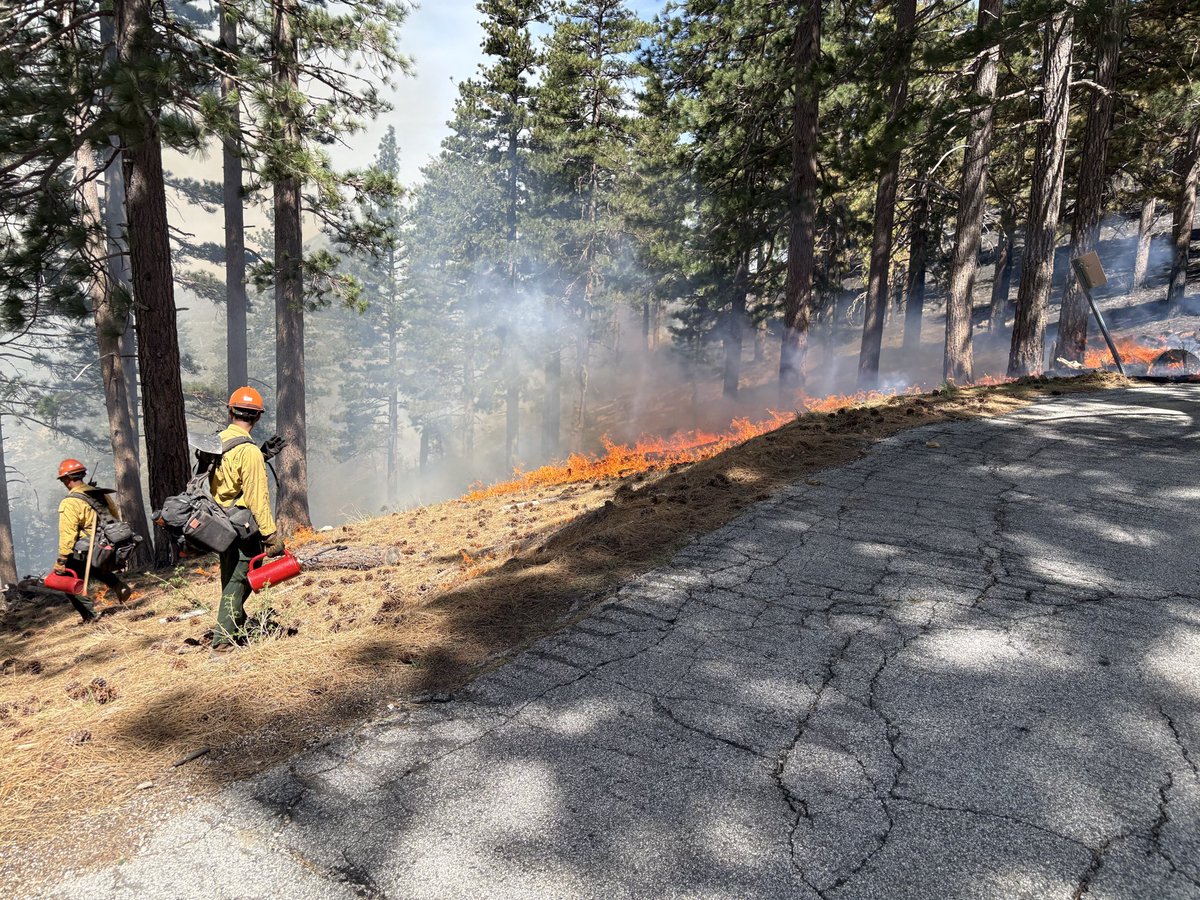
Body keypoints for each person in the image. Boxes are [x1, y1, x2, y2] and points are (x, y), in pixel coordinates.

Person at [210, 386, 284, 649]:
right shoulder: (248, 451)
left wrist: (261, 454)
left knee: (230, 578)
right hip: (242, 527)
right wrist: (271, 535)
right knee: (240, 581)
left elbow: (225, 480)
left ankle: (236, 631)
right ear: (258, 417)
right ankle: (222, 643)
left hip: (217, 524)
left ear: (230, 412)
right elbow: (257, 498)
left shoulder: (216, 442)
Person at [54, 459, 133, 623]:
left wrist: (62, 560)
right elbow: (114, 516)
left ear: (66, 479)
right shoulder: (99, 493)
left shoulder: (70, 502)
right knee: (95, 567)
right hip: (106, 543)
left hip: (86, 547)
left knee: (68, 580)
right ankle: (119, 585)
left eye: (63, 480)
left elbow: (67, 534)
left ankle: (89, 617)